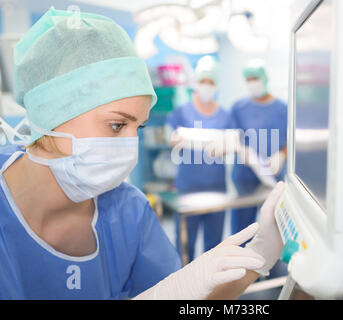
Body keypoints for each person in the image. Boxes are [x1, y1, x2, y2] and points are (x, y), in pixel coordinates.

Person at [0, 8, 285, 300]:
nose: (129, 145)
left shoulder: (127, 210)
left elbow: (187, 298)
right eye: (117, 125)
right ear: (52, 112)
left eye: (139, 127)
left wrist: (259, 254)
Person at [166, 56, 231, 262]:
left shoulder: (225, 116)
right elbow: (171, 139)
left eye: (210, 82)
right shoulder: (182, 112)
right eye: (203, 81)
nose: (206, 86)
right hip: (188, 188)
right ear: (196, 82)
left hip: (216, 188)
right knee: (185, 245)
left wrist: (223, 148)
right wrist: (176, 140)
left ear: (217, 85)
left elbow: (230, 145)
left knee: (214, 247)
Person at [229, 59, 288, 239]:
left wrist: (281, 155)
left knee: (273, 229)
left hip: (273, 176)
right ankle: (240, 264)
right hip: (244, 177)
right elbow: (232, 137)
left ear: (264, 78)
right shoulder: (239, 108)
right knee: (242, 232)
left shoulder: (283, 109)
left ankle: (270, 266)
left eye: (255, 78)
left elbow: (290, 140)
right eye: (249, 79)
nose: (252, 82)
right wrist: (243, 152)